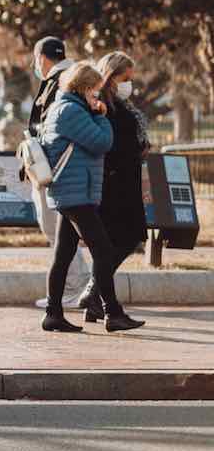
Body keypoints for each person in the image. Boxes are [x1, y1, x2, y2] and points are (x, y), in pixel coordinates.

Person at [38, 62, 144, 333]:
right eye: (95, 92)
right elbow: (102, 142)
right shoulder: (72, 111)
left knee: (63, 254)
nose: (98, 97)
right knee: (104, 251)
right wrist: (101, 115)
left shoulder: (63, 107)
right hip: (75, 193)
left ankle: (53, 313)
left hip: (72, 190)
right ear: (84, 88)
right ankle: (112, 313)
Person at [27, 36, 92, 310]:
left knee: (55, 227)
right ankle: (83, 287)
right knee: (63, 231)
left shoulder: (59, 81)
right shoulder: (72, 76)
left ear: (41, 58)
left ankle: (77, 286)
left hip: (55, 169)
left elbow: (51, 126)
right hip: (66, 168)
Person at [88, 50, 150, 320]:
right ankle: (94, 296)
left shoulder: (121, 104)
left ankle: (95, 300)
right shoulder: (101, 103)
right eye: (126, 78)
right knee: (121, 239)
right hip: (113, 182)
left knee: (122, 240)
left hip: (127, 178)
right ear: (112, 76)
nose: (129, 84)